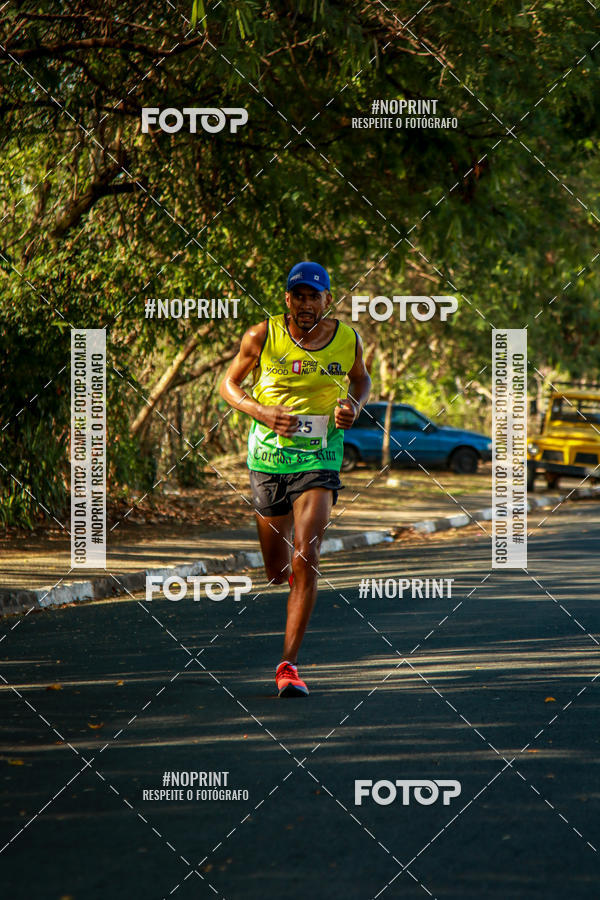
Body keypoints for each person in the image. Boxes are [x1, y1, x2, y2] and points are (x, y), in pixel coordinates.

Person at [219, 262, 371, 696]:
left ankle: (288, 666)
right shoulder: (261, 336)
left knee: (306, 554)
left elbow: (361, 380)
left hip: (320, 457)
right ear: (287, 299)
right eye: (298, 296)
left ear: (327, 299)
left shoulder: (347, 339)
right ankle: (291, 579)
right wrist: (262, 412)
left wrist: (353, 407)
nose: (306, 304)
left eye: (314, 296)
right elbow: (229, 385)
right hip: (268, 458)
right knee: (275, 570)